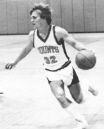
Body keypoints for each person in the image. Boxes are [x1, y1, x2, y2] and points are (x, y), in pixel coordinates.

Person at [5, 3, 98, 129]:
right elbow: (27, 49)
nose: (31, 20)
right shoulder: (32, 35)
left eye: (34, 17)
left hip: (66, 69)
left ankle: (86, 85)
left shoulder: (58, 32)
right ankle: (80, 120)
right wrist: (15, 62)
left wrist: (86, 50)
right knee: (60, 96)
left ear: (43, 18)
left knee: (80, 100)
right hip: (51, 72)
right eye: (31, 17)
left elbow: (74, 43)